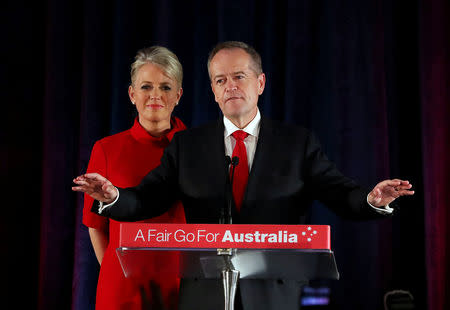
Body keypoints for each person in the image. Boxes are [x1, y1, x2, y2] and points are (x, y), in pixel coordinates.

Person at [73, 41, 414, 310]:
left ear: (261, 82)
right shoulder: (188, 145)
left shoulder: (297, 143)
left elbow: (340, 192)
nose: (230, 86)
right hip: (202, 294)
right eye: (221, 79)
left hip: (272, 293)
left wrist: (371, 199)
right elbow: (146, 198)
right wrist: (114, 196)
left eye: (240, 76)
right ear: (212, 90)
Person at [81, 46, 187, 310]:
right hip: (123, 289)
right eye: (146, 87)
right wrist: (118, 271)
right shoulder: (106, 149)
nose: (155, 96)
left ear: (178, 95)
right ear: (131, 94)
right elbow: (95, 225)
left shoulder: (199, 147)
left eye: (165, 87)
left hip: (184, 286)